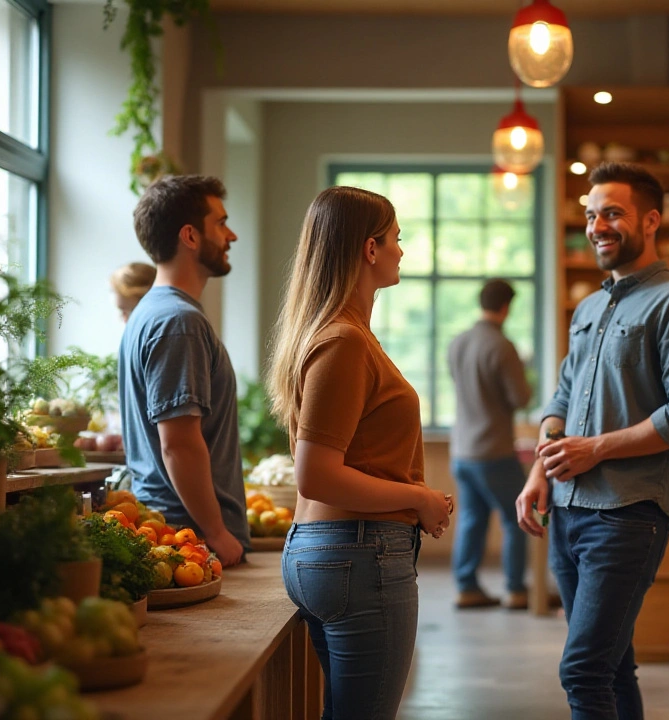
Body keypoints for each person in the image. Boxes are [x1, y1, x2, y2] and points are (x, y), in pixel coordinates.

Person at [515, 162, 669, 720]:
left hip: (628, 515)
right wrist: (540, 470)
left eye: (612, 213)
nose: (597, 225)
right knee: (611, 665)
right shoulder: (589, 308)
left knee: (582, 670)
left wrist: (595, 448)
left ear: (651, 220)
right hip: (568, 510)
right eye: (590, 215)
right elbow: (561, 398)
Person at [267, 186, 453, 720]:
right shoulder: (344, 340)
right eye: (397, 238)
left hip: (331, 551)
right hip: (358, 555)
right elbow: (317, 476)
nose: (402, 250)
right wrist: (417, 496)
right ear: (370, 249)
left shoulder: (340, 334)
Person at [118, 175, 248, 567]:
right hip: (190, 544)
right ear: (190, 236)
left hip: (181, 537)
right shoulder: (178, 321)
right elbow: (178, 443)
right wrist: (218, 534)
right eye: (221, 223)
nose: (232, 235)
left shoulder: (152, 314)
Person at [447, 279, 533, 610]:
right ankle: (515, 589)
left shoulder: (458, 342)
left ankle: (466, 587)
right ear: (506, 307)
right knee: (516, 518)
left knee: (471, 519)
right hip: (494, 450)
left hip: (462, 450)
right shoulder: (502, 346)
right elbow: (520, 397)